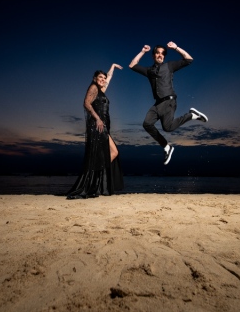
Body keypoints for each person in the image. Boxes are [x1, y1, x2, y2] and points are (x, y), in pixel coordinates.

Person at [129, 42, 208, 165]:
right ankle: (166, 147)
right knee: (147, 124)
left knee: (168, 128)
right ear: (153, 55)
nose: (160, 55)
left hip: (169, 100)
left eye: (162, 53)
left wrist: (176, 48)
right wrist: (143, 51)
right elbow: (132, 65)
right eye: (157, 53)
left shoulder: (169, 66)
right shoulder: (149, 71)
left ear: (164, 56)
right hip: (157, 104)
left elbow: (189, 59)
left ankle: (191, 115)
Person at [66, 64, 125, 199]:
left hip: (103, 126)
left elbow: (108, 79)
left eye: (104, 78)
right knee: (114, 152)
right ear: (94, 78)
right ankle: (94, 180)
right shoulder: (93, 87)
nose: (103, 79)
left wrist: (112, 67)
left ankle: (97, 180)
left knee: (106, 154)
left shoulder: (101, 89)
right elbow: (86, 103)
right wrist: (98, 119)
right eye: (100, 77)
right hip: (97, 125)